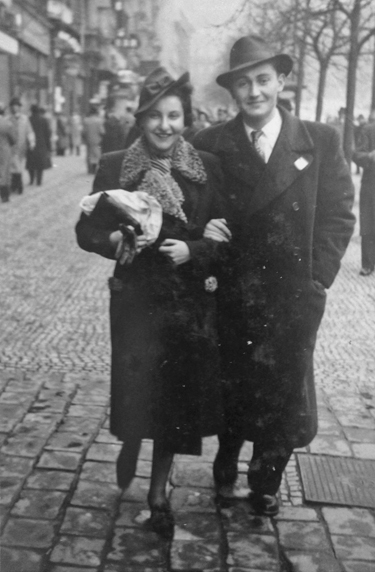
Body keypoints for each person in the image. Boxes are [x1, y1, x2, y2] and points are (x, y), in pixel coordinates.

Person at [194, 34, 355, 516]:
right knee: (232, 385)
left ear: (282, 80)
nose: (255, 92)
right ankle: (225, 469)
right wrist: (203, 231)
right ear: (232, 91)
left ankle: (266, 481)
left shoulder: (319, 140)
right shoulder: (209, 144)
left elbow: (339, 213)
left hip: (291, 296)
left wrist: (317, 278)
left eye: (263, 80)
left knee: (283, 391)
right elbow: (190, 207)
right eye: (243, 84)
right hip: (232, 292)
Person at [75, 67, 225, 536]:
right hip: (136, 303)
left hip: (186, 305)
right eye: (155, 116)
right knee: (138, 390)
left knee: (174, 400)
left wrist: (194, 250)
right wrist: (113, 236)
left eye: (174, 115)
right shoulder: (115, 164)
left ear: (186, 118)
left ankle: (158, 492)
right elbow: (86, 231)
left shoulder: (206, 168)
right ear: (141, 120)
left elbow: (223, 235)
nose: (165, 125)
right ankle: (129, 442)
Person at [353, 115, 375, 276]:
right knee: (368, 224)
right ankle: (368, 263)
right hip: (371, 184)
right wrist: (370, 156)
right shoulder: (369, 130)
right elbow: (357, 155)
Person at [8, 96, 35, 194]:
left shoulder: (24, 119)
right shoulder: (8, 119)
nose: (15, 108)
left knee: (18, 166)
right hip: (11, 147)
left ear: (19, 107)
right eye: (13, 106)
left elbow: (30, 131)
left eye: (17, 106)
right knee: (13, 167)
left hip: (21, 147)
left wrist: (32, 142)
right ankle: (17, 186)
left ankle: (16, 185)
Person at [26, 104, 52, 186]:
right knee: (40, 165)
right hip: (41, 144)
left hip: (31, 143)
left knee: (31, 163)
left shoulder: (28, 119)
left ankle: (31, 180)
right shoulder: (44, 120)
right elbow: (48, 134)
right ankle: (39, 181)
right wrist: (49, 146)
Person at [0, 102, 16, 203]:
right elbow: (13, 139)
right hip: (3, 150)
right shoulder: (6, 123)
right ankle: (4, 195)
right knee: (4, 172)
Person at [82, 105, 104, 174]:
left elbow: (84, 131)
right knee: (97, 154)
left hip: (89, 140)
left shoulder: (86, 120)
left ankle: (90, 169)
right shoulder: (99, 121)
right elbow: (102, 131)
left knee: (89, 155)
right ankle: (95, 167)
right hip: (97, 140)